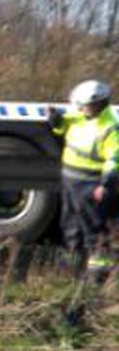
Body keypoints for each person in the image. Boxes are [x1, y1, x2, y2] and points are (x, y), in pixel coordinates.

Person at [49, 79, 119, 280]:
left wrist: (105, 185)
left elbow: (114, 160)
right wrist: (55, 120)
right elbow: (62, 128)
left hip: (91, 183)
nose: (80, 108)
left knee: (94, 227)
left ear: (97, 104)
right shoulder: (79, 116)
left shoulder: (110, 127)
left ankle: (98, 273)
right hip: (70, 179)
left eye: (83, 105)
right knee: (70, 224)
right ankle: (70, 268)